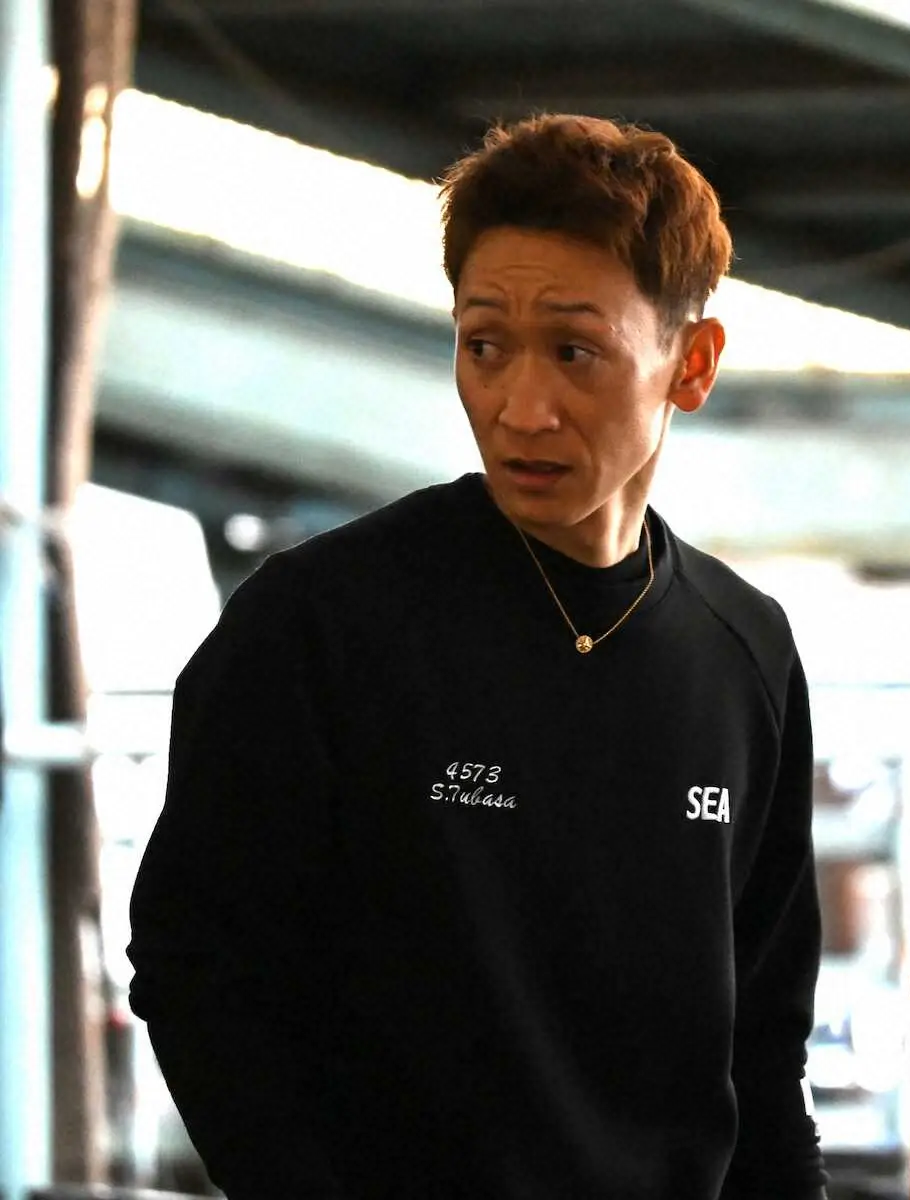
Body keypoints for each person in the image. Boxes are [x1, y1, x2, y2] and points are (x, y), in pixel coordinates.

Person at [128, 113, 828, 1200]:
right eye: (484, 345)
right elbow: (198, 968)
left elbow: (763, 1047)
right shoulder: (320, 625)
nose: (519, 407)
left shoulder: (745, 655)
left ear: (691, 364)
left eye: (575, 352)